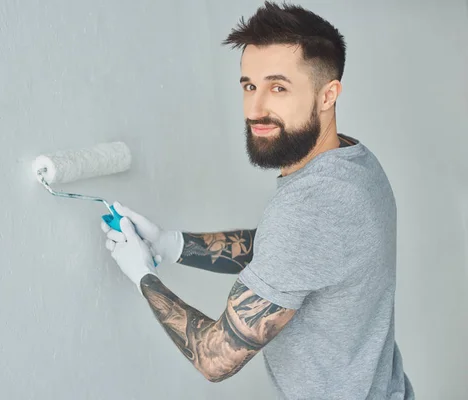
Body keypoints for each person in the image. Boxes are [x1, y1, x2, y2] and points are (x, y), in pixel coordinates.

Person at [101, 2, 415, 399]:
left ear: (327, 95)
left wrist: (143, 276)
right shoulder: (355, 162)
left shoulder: (311, 206)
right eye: (250, 85)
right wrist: (174, 244)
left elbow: (214, 358)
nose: (255, 108)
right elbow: (290, 252)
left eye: (278, 87)